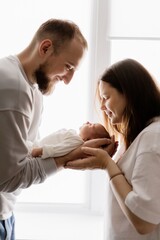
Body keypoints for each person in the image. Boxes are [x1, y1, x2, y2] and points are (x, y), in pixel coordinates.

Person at [0, 19, 113, 240]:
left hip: (7, 214)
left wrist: (71, 150)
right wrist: (72, 156)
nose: (68, 80)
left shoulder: (31, 89)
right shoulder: (14, 89)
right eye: (68, 67)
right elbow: (7, 179)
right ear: (45, 48)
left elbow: (30, 151)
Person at [65, 58, 160, 239]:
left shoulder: (152, 137)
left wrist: (108, 165)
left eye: (106, 97)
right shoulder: (135, 137)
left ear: (129, 94)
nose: (101, 106)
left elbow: (144, 222)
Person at [29, 122, 110, 158]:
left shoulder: (76, 141)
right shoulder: (75, 137)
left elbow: (59, 149)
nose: (88, 122)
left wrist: (40, 151)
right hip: (35, 144)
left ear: (89, 140)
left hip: (35, 150)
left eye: (92, 125)